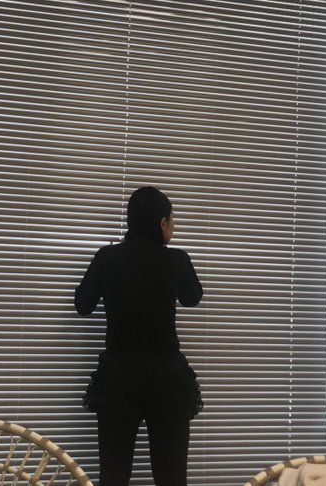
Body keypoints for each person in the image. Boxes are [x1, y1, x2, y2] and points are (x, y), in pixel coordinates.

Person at [75, 186, 203, 486]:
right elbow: (193, 297)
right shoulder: (178, 260)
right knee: (172, 478)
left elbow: (82, 305)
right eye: (172, 220)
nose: (174, 227)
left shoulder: (107, 257)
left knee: (114, 476)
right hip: (167, 378)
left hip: (118, 377)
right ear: (162, 222)